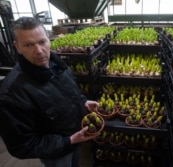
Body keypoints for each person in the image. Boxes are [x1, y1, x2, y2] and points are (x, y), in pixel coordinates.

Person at [0, 16, 100, 167]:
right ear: (17, 47)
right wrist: (69, 141)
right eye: (28, 45)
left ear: (49, 39)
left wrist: (83, 101)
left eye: (42, 42)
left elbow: (68, 93)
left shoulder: (58, 65)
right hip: (57, 153)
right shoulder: (12, 93)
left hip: (77, 136)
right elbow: (22, 145)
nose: (39, 51)